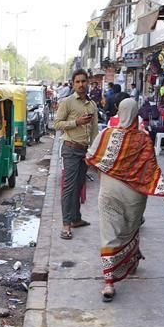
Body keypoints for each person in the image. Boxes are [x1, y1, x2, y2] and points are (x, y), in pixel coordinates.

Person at [87, 98, 164, 302]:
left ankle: (109, 282)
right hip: (135, 196)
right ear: (136, 115)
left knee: (109, 233)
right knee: (130, 230)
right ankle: (130, 260)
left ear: (119, 112)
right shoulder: (143, 139)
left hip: (109, 191)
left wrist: (107, 174)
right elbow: (152, 170)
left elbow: (91, 158)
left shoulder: (106, 135)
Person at [54, 69, 98, 240]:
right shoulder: (67, 102)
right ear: (73, 84)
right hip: (71, 149)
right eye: (77, 82)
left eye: (83, 81)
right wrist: (76, 122)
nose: (81, 84)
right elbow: (57, 124)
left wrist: (94, 152)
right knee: (69, 187)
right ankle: (66, 225)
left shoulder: (92, 105)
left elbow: (94, 131)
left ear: (88, 83)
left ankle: (76, 219)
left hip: (84, 150)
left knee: (80, 185)